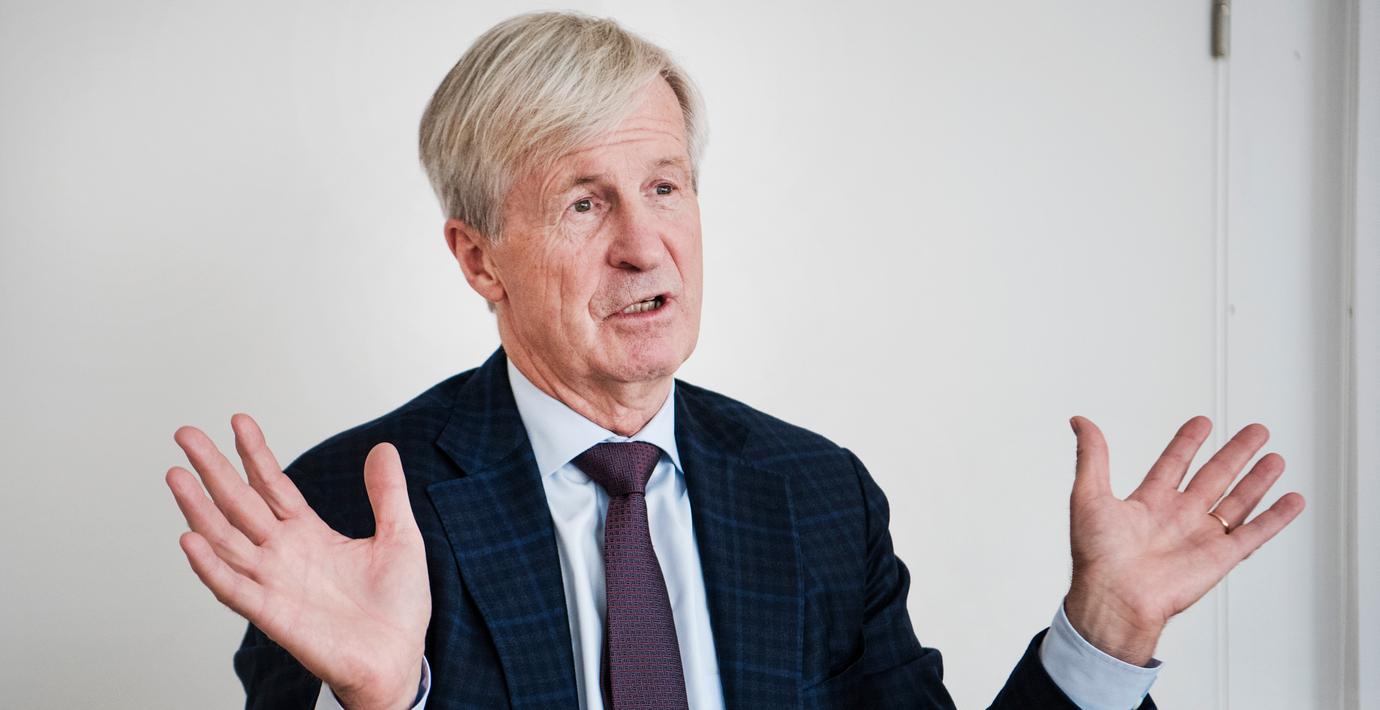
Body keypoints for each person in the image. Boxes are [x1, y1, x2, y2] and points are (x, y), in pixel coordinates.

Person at [164, 11, 1305, 710]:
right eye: (583, 201)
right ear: (479, 259)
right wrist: (387, 702)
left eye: (665, 185)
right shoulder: (355, 503)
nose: (644, 243)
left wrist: (1104, 632)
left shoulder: (817, 496)